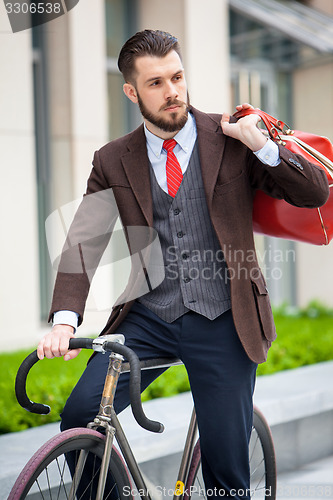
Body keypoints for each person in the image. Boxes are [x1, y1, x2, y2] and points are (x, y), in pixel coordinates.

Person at [37, 30, 329, 499]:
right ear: (132, 92)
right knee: (80, 416)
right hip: (149, 317)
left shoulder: (231, 136)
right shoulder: (113, 159)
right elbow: (83, 241)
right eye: (156, 83)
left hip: (225, 318)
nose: (172, 91)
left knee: (225, 466)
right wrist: (65, 321)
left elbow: (314, 192)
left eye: (177, 77)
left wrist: (262, 146)